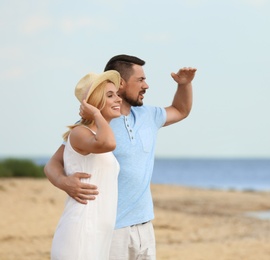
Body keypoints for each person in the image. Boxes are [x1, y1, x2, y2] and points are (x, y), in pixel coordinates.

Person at [44, 54, 197, 260]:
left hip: (144, 226)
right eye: (141, 80)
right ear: (122, 84)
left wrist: (184, 85)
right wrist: (64, 182)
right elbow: (54, 163)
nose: (147, 85)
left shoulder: (148, 116)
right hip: (112, 228)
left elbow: (181, 109)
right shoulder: (93, 125)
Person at [50, 71, 122, 259]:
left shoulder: (95, 134)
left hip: (98, 234)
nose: (118, 99)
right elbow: (108, 143)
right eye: (110, 95)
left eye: (117, 94)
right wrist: (97, 114)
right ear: (94, 102)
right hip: (82, 231)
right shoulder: (80, 133)